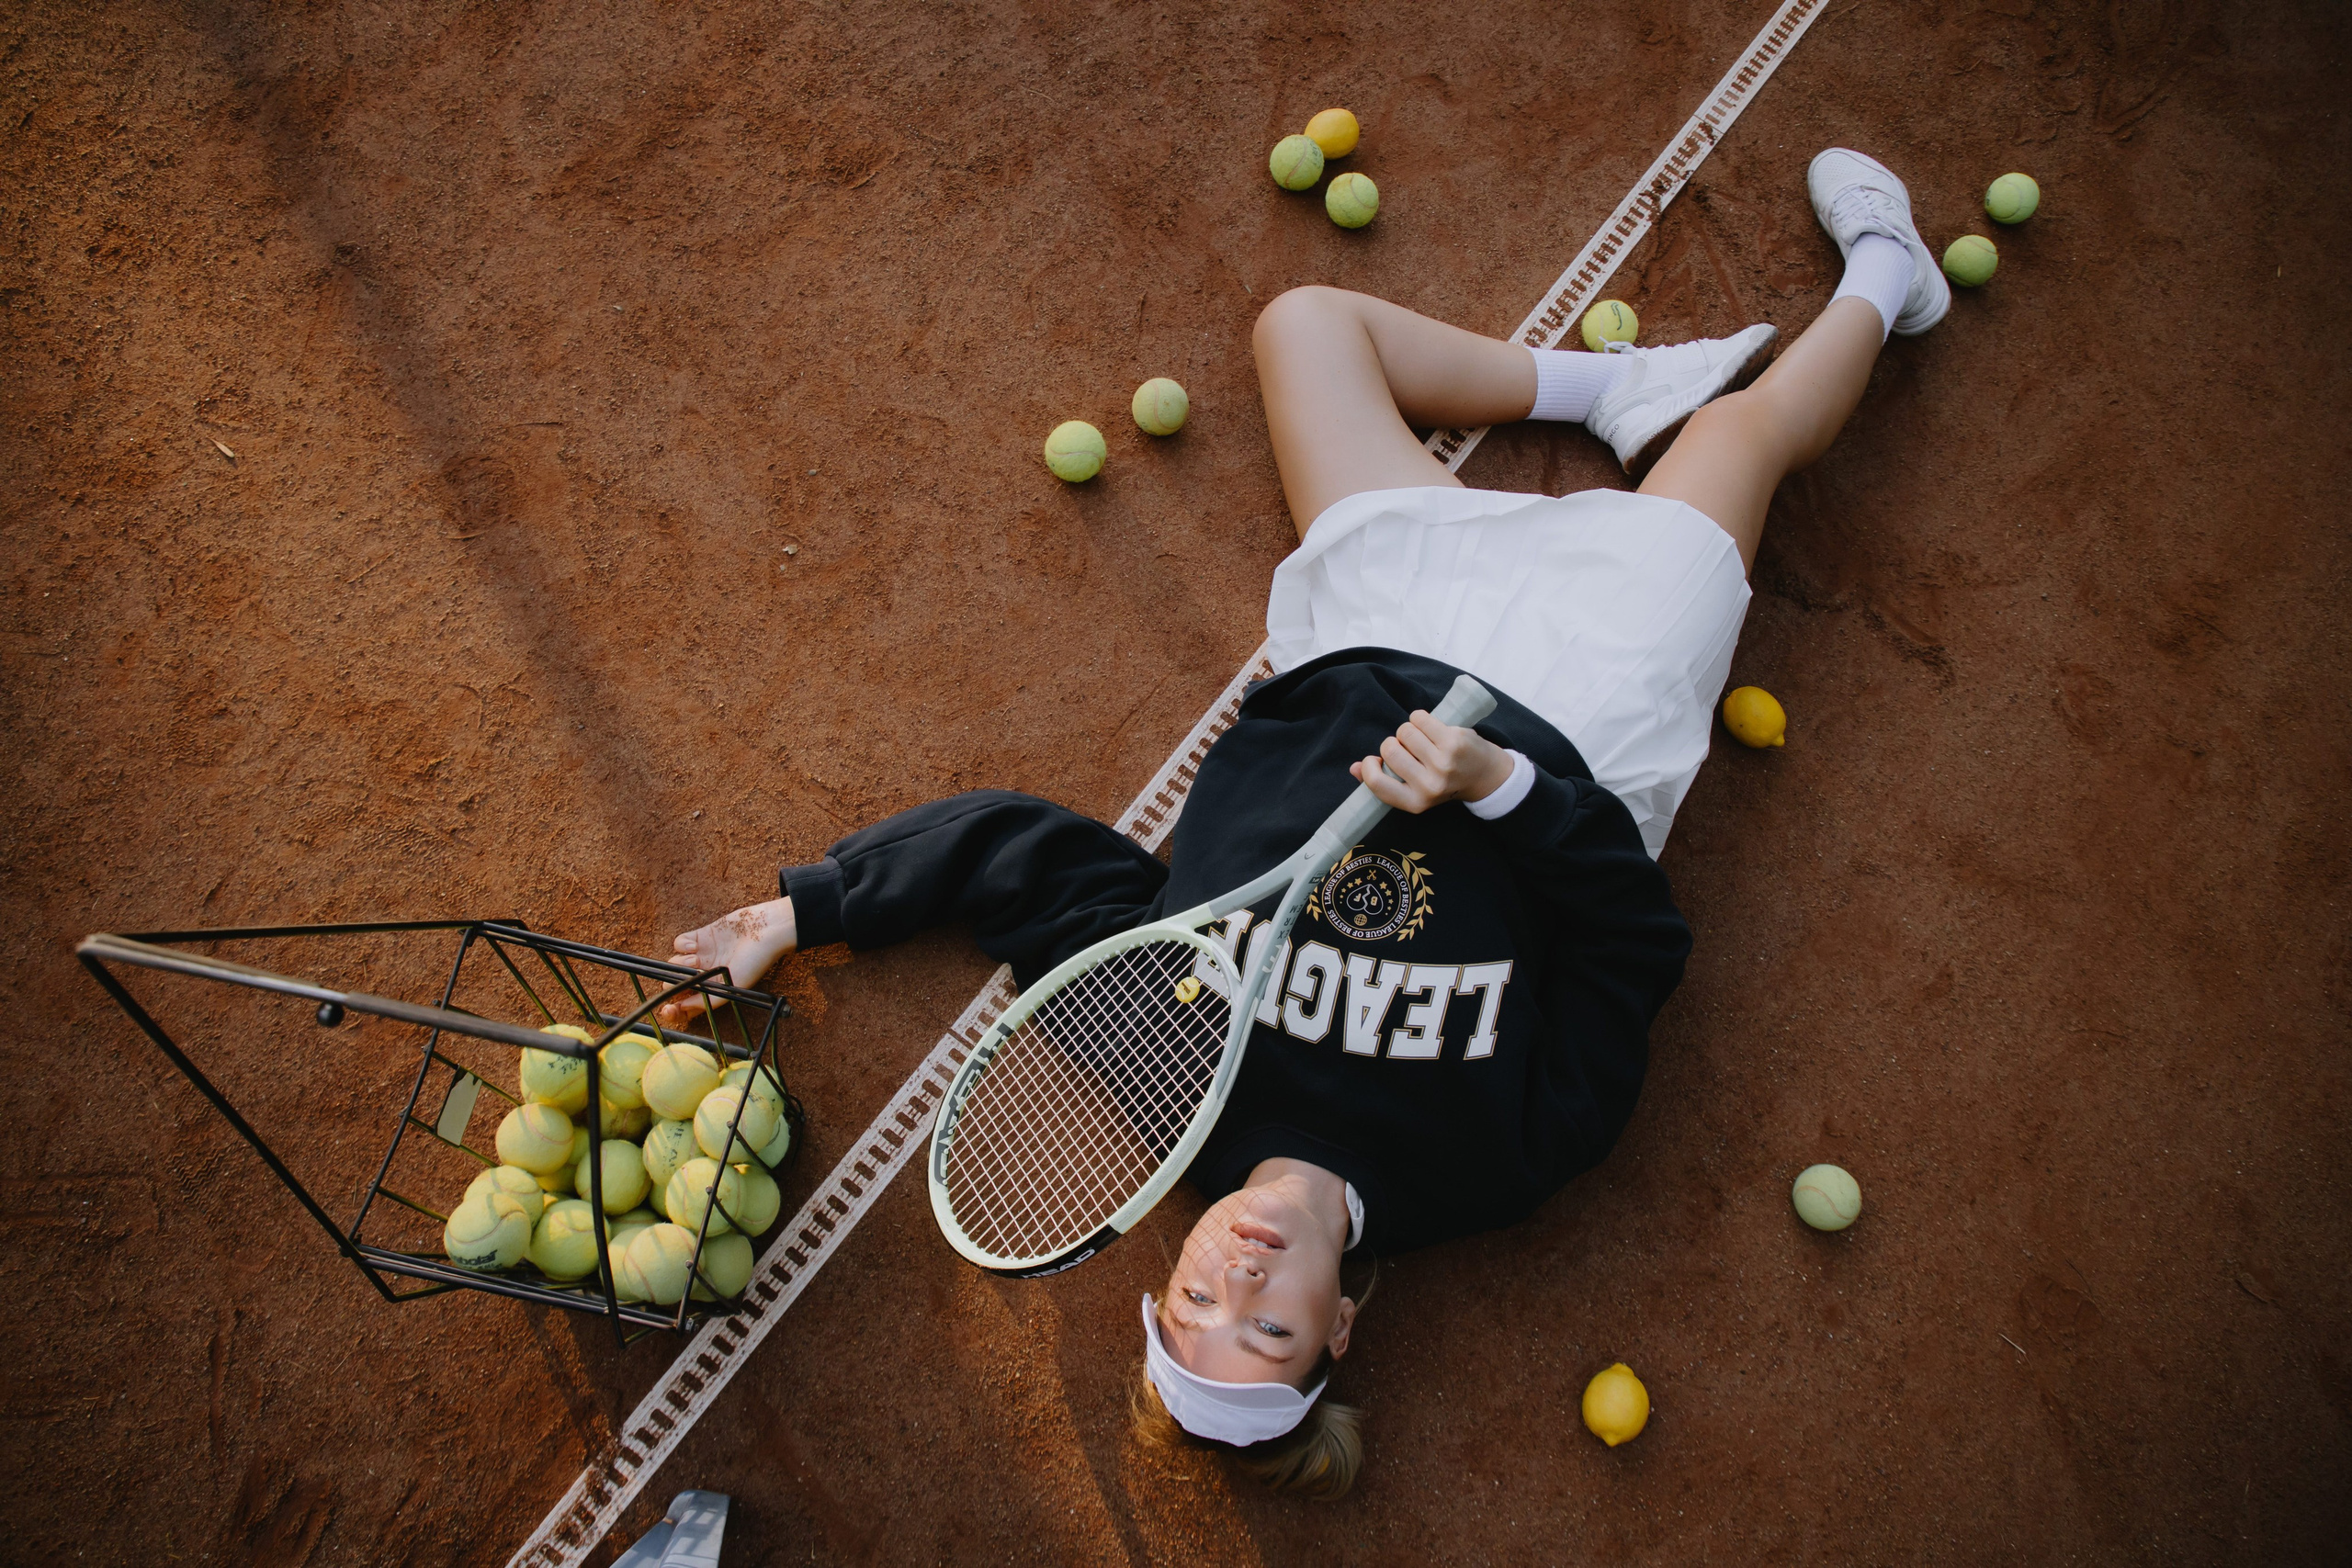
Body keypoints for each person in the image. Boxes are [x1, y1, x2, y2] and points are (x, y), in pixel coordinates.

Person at [658, 150, 1947, 1497]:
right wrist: (1498, 788)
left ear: (1167, 1281)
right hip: (1585, 706)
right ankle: (1887, 280)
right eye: (1270, 1329)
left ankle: (1615, 387)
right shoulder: (1500, 1167)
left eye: (1197, 1307)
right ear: (1338, 1326)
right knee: (1742, 438)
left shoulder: (1164, 1092)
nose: (1241, 1278)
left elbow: (1020, 861)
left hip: (1373, 635)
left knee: (1305, 326)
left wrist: (802, 907)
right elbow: (1635, 951)